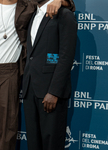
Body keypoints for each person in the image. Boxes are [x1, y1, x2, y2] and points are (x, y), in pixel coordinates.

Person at [0, 0, 75, 149]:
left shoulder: (29, 6)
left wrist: (60, 0)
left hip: (8, 76)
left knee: (6, 137)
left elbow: (67, 6)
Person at [22, 0, 77, 149]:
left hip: (51, 94)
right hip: (30, 90)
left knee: (52, 144)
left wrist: (54, 91)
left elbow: (66, 57)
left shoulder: (65, 15)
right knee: (33, 144)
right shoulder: (32, 14)